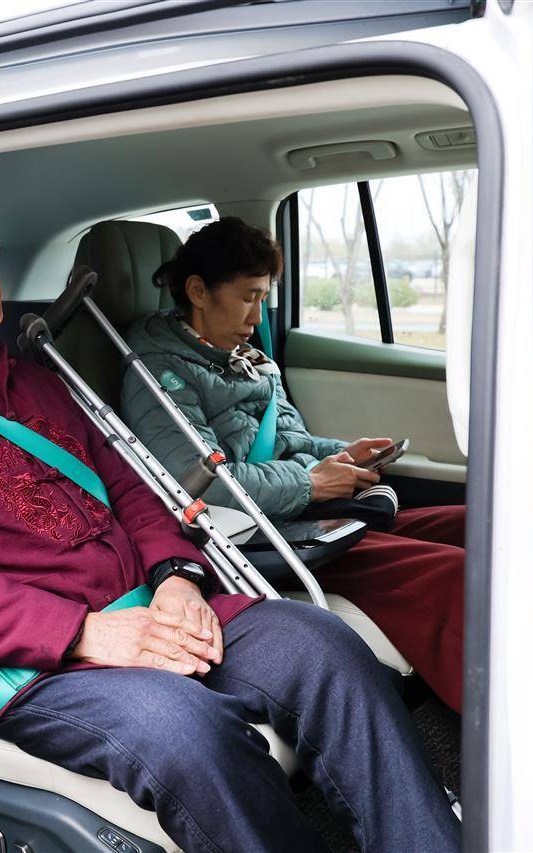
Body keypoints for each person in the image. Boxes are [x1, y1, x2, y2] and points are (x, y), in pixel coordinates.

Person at [0, 199, 459, 851]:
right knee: (187, 729)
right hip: (30, 666)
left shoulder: (39, 382)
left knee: (322, 643)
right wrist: (82, 633)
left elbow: (131, 486)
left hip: (151, 609)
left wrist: (177, 576)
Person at [121, 217, 465, 712]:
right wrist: (309, 484)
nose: (259, 316)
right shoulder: (156, 371)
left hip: (296, 513)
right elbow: (199, 483)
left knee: (472, 527)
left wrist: (340, 455)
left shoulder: (244, 357)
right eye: (248, 297)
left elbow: (291, 441)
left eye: (264, 297)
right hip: (249, 537)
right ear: (197, 291)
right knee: (452, 571)